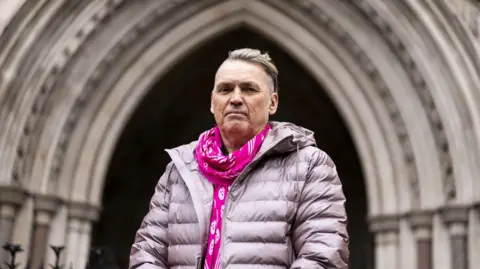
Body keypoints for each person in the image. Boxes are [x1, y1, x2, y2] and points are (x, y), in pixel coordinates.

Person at [129, 48, 349, 269]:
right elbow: (147, 254)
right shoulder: (179, 171)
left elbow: (322, 258)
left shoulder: (310, 165)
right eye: (225, 90)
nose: (235, 98)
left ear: (272, 103)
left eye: (249, 89)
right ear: (213, 103)